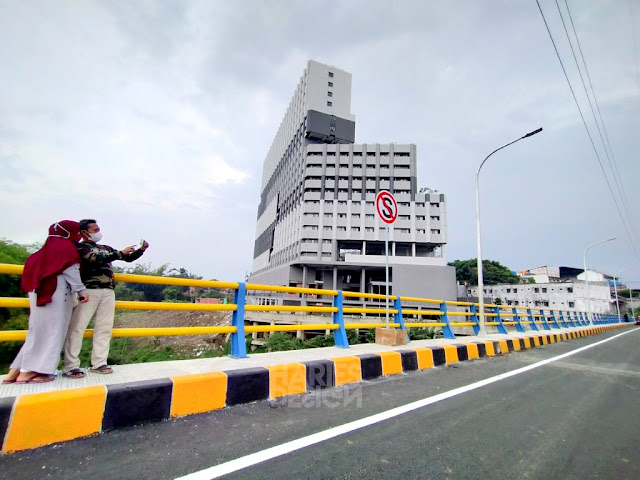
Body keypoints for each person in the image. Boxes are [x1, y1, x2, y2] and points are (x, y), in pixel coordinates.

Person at [2, 221, 89, 384]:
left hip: (38, 295)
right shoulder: (66, 248)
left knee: (37, 331)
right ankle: (36, 371)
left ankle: (15, 371)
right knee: (54, 331)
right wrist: (81, 291)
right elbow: (71, 270)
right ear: (69, 233)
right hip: (56, 294)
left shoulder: (40, 253)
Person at [63, 219, 149, 377]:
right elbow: (95, 258)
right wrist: (120, 253)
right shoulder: (80, 247)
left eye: (98, 229)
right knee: (77, 328)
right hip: (88, 290)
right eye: (95, 229)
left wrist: (140, 250)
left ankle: (99, 363)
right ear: (84, 232)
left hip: (108, 291)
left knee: (104, 328)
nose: (98, 232)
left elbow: (127, 258)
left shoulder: (105, 248)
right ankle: (71, 366)